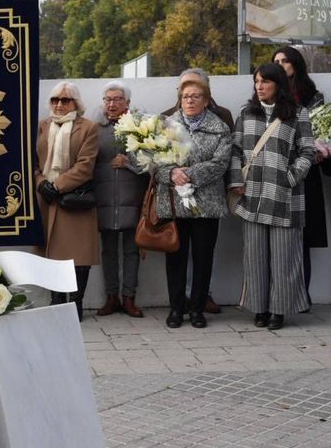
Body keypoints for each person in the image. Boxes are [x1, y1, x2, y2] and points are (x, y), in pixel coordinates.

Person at [229, 63, 317, 330]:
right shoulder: (246, 115)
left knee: (284, 257)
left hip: (285, 198)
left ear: (278, 84)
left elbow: (308, 152)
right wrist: (236, 181)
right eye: (257, 81)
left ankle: (279, 311)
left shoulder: (297, 114)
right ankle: (260, 309)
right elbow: (235, 151)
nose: (260, 86)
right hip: (252, 194)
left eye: (265, 81)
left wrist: (289, 177)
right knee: (254, 257)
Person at [156, 75, 232, 329]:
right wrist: (170, 173)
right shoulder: (165, 125)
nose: (189, 100)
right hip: (175, 202)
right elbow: (149, 157)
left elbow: (221, 163)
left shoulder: (219, 127)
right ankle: (176, 309)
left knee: (203, 257)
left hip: (207, 204)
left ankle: (198, 309)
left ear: (206, 100)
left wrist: (190, 174)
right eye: (185, 96)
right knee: (176, 257)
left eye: (195, 96)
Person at [35, 82, 99, 321]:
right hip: (46, 200)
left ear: (76, 103)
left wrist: (58, 185)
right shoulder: (40, 126)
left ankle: (75, 303)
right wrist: (41, 183)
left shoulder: (88, 128)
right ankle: (56, 303)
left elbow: (85, 165)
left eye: (65, 100)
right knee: (51, 254)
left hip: (73, 200)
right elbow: (31, 163)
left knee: (78, 257)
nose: (59, 104)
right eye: (55, 100)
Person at [273, 46, 327, 307]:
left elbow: (319, 132)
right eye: (277, 62)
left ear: (296, 64)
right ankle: (278, 295)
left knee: (301, 236)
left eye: (285, 61)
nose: (282, 65)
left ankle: (301, 294)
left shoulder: (312, 97)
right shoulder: (268, 97)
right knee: (277, 236)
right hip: (275, 173)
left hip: (305, 174)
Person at [93, 82, 149, 318]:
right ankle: (111, 297)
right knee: (108, 251)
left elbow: (151, 163)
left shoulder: (140, 127)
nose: (112, 104)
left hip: (132, 197)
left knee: (131, 250)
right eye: (107, 99)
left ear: (127, 102)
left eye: (117, 99)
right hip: (103, 198)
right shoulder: (95, 129)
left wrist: (128, 163)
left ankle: (129, 298)